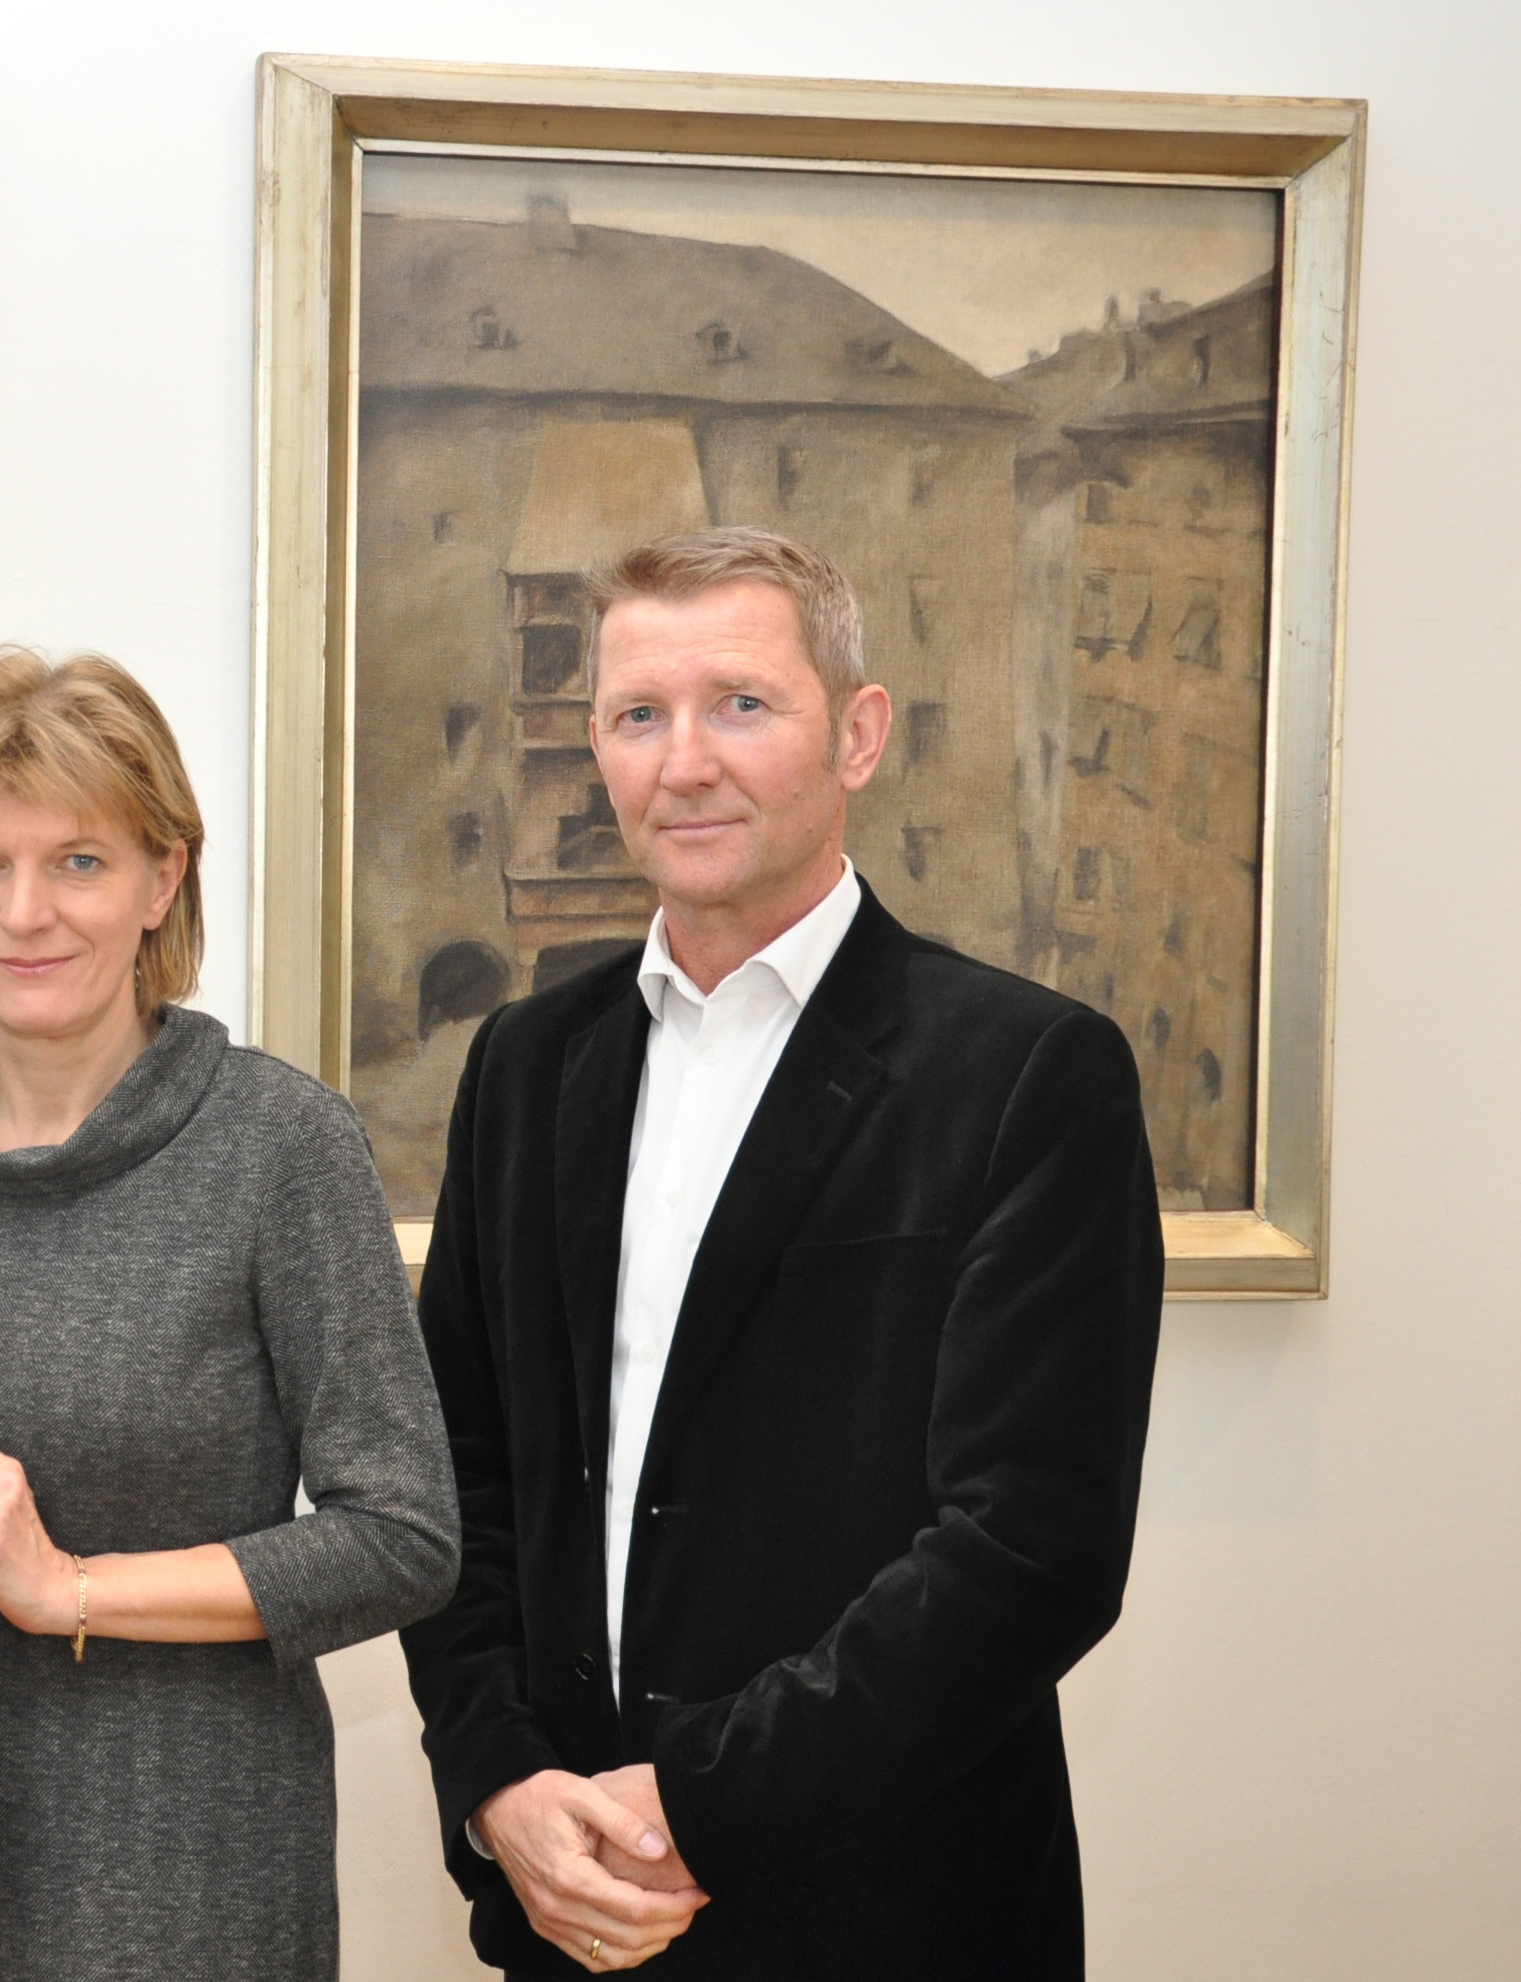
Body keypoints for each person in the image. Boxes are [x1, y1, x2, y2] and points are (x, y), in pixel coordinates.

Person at [398, 528, 1164, 1978]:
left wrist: (694, 1803)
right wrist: (498, 1783)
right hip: (572, 1909)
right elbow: (461, 1478)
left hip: (890, 1912)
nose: (682, 761)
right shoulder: (524, 1066)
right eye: (636, 714)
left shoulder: (1023, 1072)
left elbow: (1029, 1546)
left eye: (739, 702)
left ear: (857, 733)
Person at [0, 646, 461, 1981]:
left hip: (186, 1870)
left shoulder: (279, 1141)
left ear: (163, 876)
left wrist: (66, 1586)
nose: (22, 911)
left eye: (79, 861)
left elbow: (404, 1536)